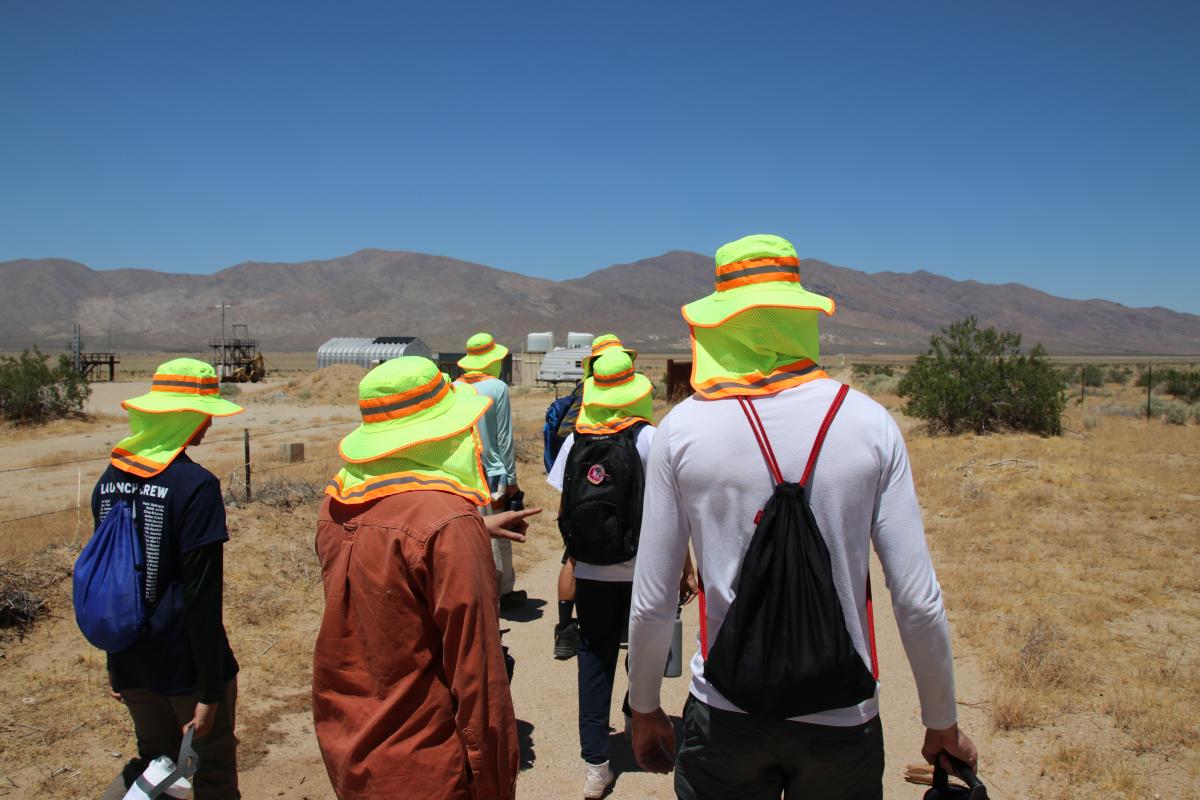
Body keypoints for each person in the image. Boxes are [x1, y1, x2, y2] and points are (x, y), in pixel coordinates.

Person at [627, 234, 977, 799]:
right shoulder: (869, 423)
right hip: (843, 720)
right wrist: (942, 721)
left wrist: (644, 705)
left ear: (719, 323)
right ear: (799, 317)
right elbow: (916, 598)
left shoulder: (682, 431)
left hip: (725, 715)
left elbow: (653, 596)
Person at [313, 357, 536, 800]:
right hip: (429, 764)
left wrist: (469, 530)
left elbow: (389, 555)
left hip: (351, 750)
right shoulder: (446, 522)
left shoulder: (335, 506)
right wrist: (494, 781)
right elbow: (478, 674)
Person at [94, 358, 243, 800]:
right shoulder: (194, 486)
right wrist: (209, 689)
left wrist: (114, 661)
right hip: (186, 666)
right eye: (204, 412)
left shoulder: (109, 479)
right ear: (184, 416)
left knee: (156, 768)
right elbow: (201, 595)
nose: (210, 422)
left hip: (131, 656)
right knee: (211, 769)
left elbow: (109, 583)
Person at [549, 349, 692, 798]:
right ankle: (638, 713)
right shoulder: (650, 438)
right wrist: (685, 567)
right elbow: (673, 513)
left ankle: (596, 765)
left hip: (591, 571)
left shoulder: (576, 441)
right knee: (646, 648)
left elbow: (565, 503)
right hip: (643, 570)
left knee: (594, 661)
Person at [552, 334, 640, 660]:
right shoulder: (619, 395)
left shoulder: (582, 392)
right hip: (615, 482)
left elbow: (564, 436)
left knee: (573, 556)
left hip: (580, 486)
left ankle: (565, 628)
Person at [456, 332, 524, 609]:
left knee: (471, 531)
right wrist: (511, 478)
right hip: (493, 470)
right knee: (499, 531)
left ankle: (478, 589)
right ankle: (503, 591)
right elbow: (504, 438)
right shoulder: (497, 387)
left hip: (462, 470)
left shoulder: (455, 386)